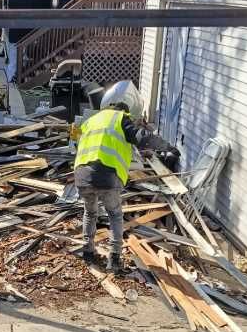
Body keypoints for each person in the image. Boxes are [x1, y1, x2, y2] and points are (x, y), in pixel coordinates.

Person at [73, 81, 178, 272]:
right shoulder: (121, 119)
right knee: (114, 215)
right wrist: (168, 147)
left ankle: (87, 251)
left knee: (90, 212)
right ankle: (114, 258)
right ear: (126, 108)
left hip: (81, 175)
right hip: (106, 176)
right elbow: (142, 137)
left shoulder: (92, 120)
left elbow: (79, 140)